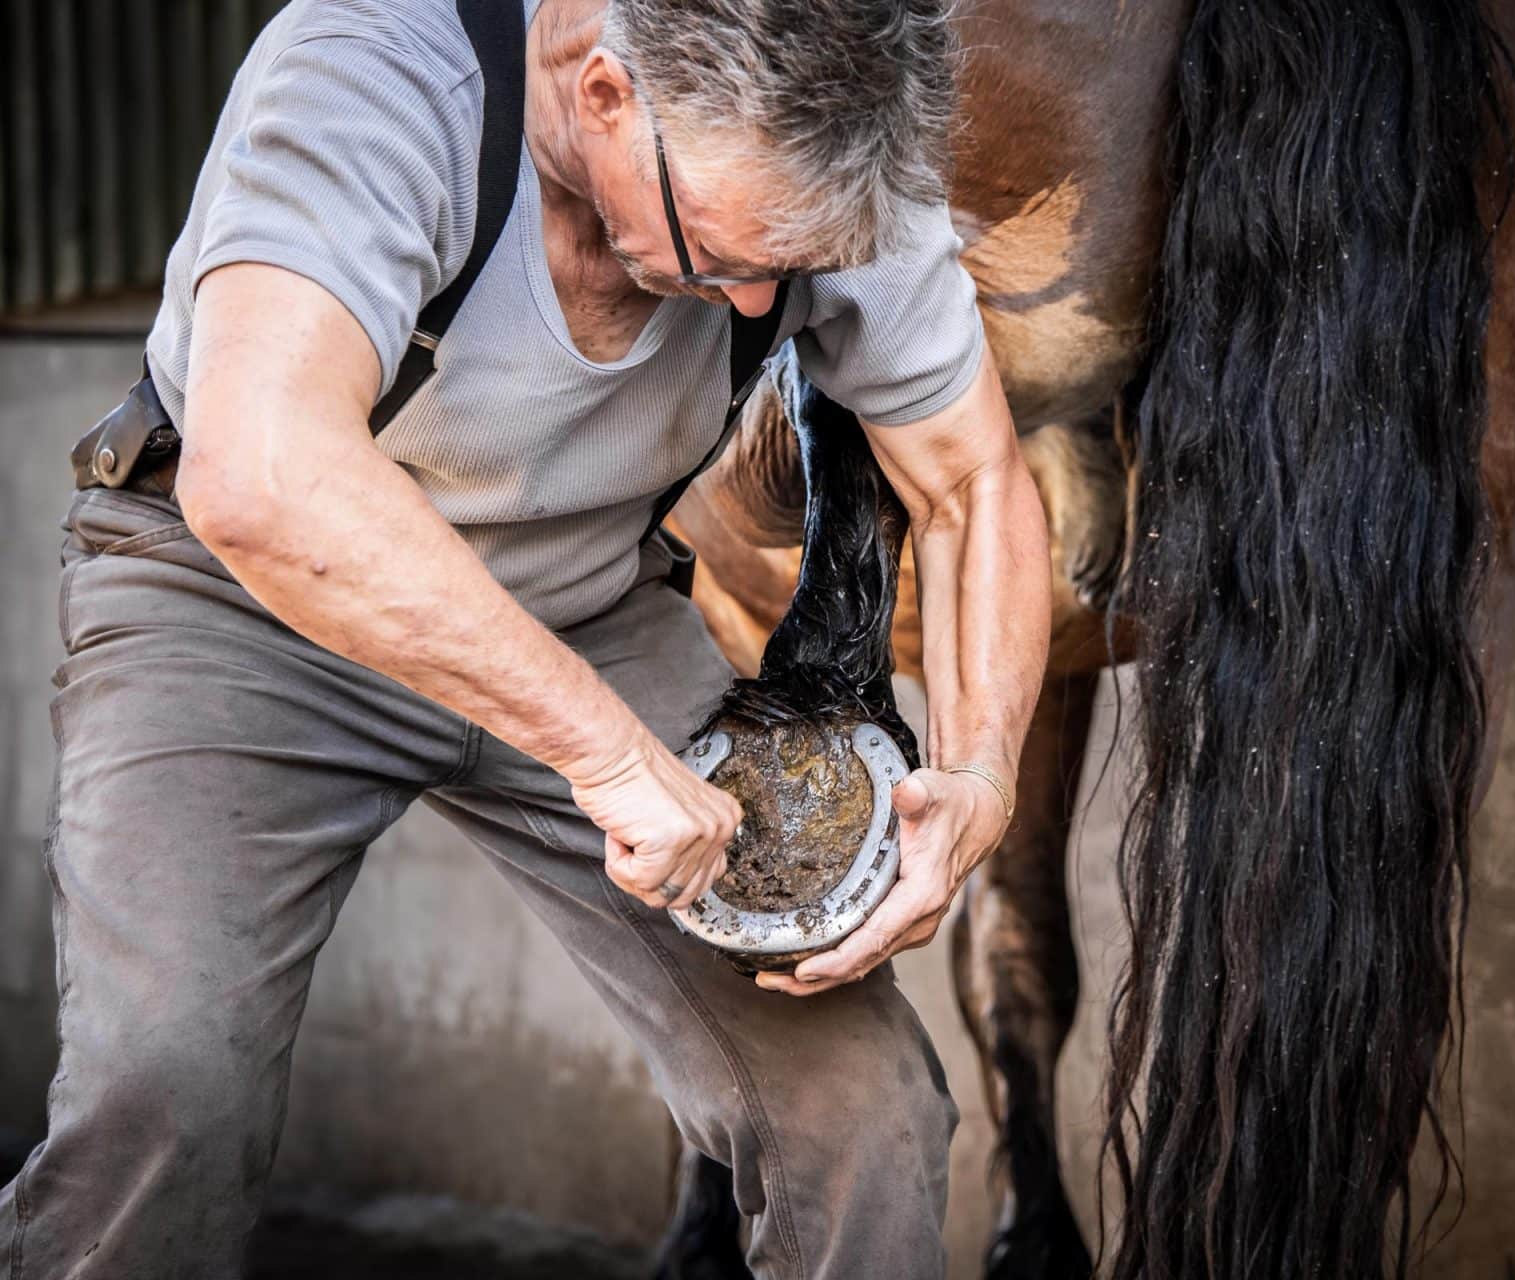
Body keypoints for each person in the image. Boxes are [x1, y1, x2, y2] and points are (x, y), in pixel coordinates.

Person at [0, 0, 1051, 1275]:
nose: (767, 299)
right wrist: (606, 755)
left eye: (793, 262)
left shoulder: (828, 161)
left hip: (586, 597)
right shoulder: (378, 74)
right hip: (238, 604)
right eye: (727, 253)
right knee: (165, 1095)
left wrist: (985, 770)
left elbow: (973, 484)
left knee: (863, 1106)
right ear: (606, 95)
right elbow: (261, 475)